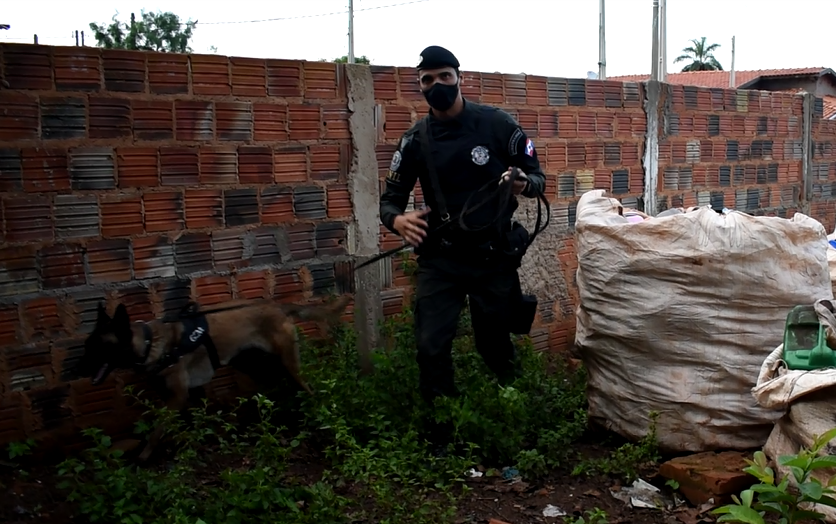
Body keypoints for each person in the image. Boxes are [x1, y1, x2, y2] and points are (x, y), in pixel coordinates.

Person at [378, 45, 547, 454]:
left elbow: (539, 178)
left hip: (492, 256)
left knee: (495, 347)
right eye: (427, 80)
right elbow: (390, 200)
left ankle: (516, 422)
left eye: (444, 77)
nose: (437, 85)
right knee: (430, 346)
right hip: (442, 258)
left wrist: (524, 182)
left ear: (459, 77)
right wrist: (398, 221)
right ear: (420, 87)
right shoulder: (415, 140)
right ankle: (442, 431)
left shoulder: (496, 124)